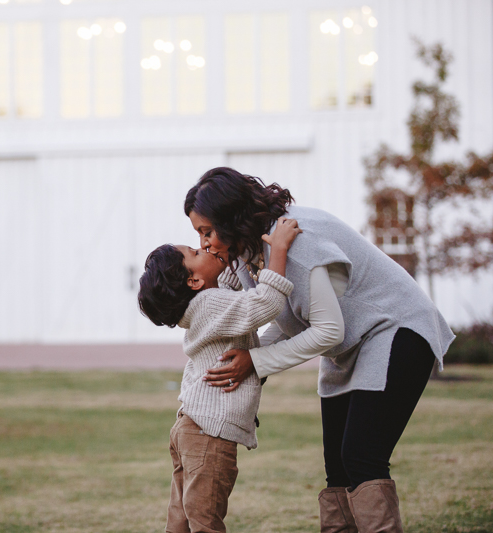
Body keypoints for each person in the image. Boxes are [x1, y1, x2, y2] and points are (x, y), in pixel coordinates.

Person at [184, 167, 455, 533]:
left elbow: (328, 330)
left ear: (231, 217)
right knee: (338, 469)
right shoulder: (252, 253)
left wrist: (258, 361)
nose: (204, 244)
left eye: (207, 231)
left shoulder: (296, 243)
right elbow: (291, 317)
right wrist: (251, 359)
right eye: (198, 235)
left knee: (361, 456)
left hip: (395, 330)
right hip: (349, 344)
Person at [138, 217, 302, 533]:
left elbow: (226, 280)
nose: (205, 248)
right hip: (207, 434)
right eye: (196, 253)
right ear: (194, 282)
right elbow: (265, 303)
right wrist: (278, 247)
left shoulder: (204, 302)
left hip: (191, 428)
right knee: (205, 522)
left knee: (182, 521)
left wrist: (228, 248)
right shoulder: (210, 305)